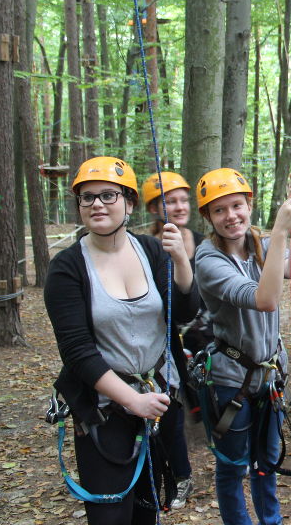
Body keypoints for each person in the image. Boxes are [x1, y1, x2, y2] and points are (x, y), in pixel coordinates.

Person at [45, 157, 198, 525]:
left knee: (148, 509)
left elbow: (186, 312)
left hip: (157, 399)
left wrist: (180, 260)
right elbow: (78, 351)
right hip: (105, 408)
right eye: (87, 198)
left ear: (129, 203)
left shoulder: (150, 249)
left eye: (108, 195)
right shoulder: (67, 268)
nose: (96, 204)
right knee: (111, 514)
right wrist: (133, 400)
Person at [193, 167, 291, 525]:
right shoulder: (208, 260)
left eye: (237, 206)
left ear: (249, 204)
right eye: (220, 210)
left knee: (266, 462)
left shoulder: (260, 242)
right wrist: (281, 231)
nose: (231, 216)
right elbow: (266, 299)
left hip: (269, 373)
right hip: (231, 378)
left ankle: (270, 521)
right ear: (208, 217)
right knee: (233, 466)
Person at [141, 171, 202, 509]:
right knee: (169, 410)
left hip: (201, 329)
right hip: (165, 339)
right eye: (169, 201)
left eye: (182, 200)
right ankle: (178, 475)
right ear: (154, 209)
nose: (179, 207)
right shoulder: (146, 247)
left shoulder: (202, 241)